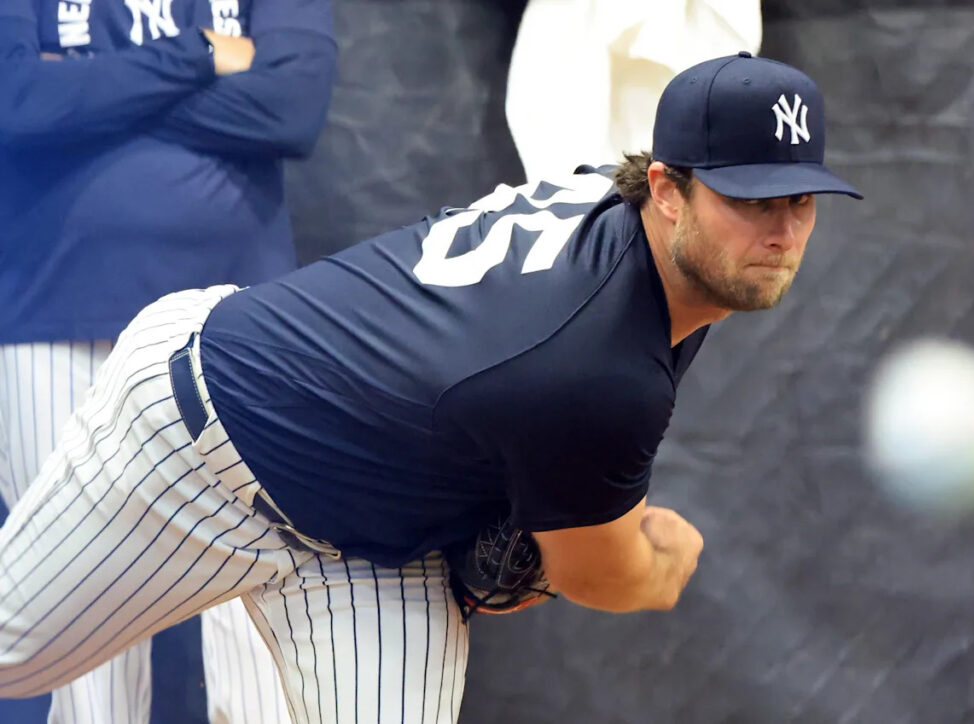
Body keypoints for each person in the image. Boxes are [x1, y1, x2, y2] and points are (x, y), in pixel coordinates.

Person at [0, 53, 861, 723]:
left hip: (376, 545)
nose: (782, 228)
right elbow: (602, 574)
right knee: (12, 654)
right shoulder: (601, 363)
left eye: (801, 197)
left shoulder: (635, 227)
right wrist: (658, 561)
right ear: (668, 189)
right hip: (204, 441)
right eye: (750, 198)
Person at [0, 0, 336, 722]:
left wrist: (90, 95)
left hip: (237, 327)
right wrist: (199, 56)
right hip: (55, 312)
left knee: (258, 612)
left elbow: (293, 108)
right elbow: (16, 102)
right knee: (77, 630)